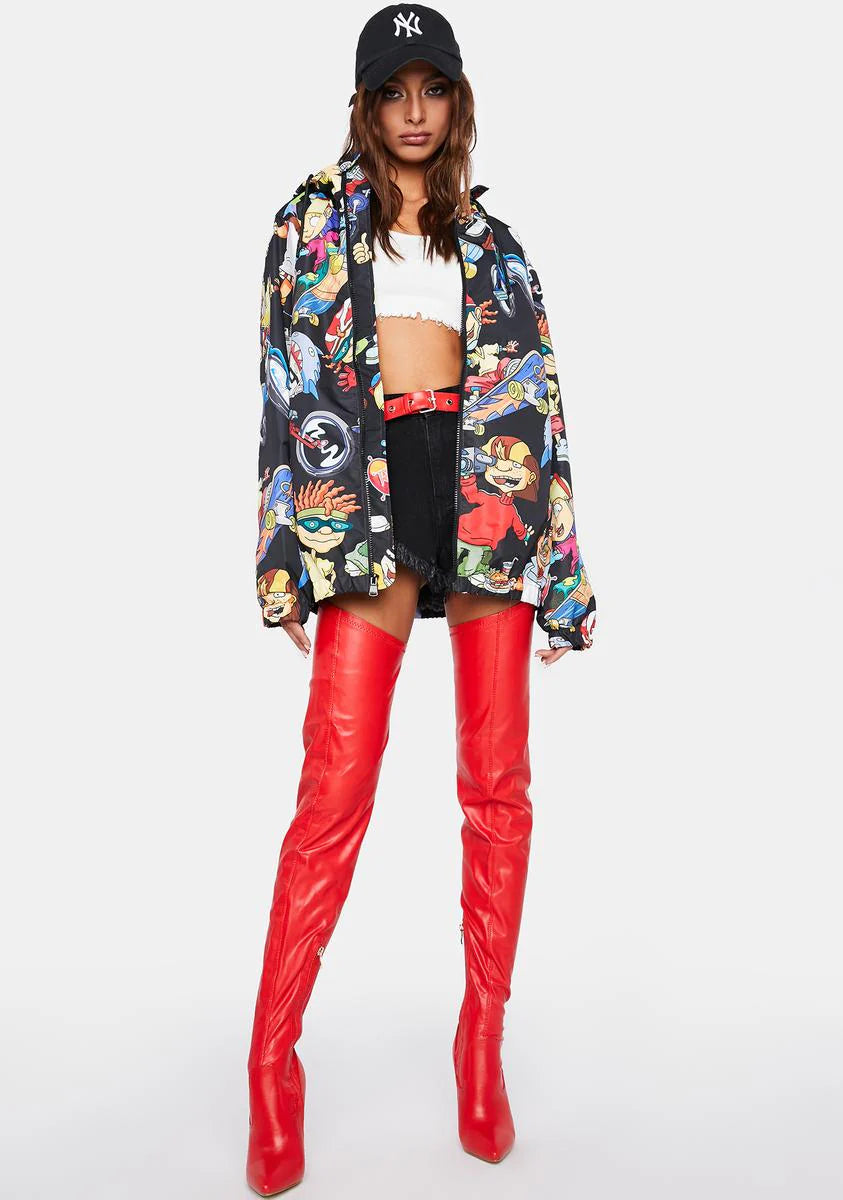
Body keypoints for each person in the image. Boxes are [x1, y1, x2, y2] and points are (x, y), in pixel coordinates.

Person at [246, 4, 597, 1193]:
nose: (413, 112)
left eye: (432, 89)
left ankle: (480, 1045)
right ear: (364, 105)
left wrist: (564, 572)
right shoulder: (309, 222)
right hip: (365, 496)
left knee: (499, 785)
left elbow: (543, 408)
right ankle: (272, 1062)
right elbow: (283, 393)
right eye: (393, 91)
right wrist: (284, 557)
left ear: (456, 101)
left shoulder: (496, 245)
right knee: (334, 788)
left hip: (486, 496)